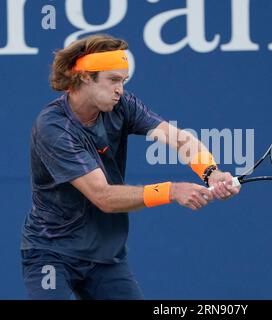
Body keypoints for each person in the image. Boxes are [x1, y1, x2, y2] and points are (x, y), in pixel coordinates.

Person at [20, 34, 240, 300]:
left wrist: (211, 172)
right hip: (52, 252)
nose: (120, 90)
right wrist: (171, 191)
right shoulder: (53, 127)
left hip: (106, 254)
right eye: (113, 80)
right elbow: (103, 197)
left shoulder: (122, 106)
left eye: (123, 81)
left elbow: (179, 139)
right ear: (86, 77)